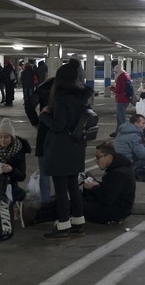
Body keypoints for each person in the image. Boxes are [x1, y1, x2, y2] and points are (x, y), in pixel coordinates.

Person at [40, 59, 93, 239]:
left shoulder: (62, 98)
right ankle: (78, 222)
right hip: (76, 146)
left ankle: (63, 225)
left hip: (61, 148)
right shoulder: (82, 97)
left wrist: (44, 115)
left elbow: (58, 125)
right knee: (73, 186)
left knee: (61, 188)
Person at [82, 141, 136, 224]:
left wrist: (93, 187)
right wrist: (96, 185)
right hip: (116, 208)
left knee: (75, 205)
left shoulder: (118, 173)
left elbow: (107, 198)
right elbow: (110, 189)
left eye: (98, 157)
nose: (96, 160)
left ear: (108, 156)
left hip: (114, 212)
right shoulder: (119, 167)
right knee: (77, 201)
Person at [0, 118, 31, 202]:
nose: (3, 140)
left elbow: (22, 176)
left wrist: (11, 170)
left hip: (9, 184)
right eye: (0, 137)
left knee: (19, 195)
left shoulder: (19, 152)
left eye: (6, 137)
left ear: (12, 138)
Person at [24, 76, 55, 205]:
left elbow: (29, 105)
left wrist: (36, 123)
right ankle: (64, 201)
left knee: (44, 171)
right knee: (64, 172)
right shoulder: (69, 90)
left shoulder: (42, 89)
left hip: (44, 131)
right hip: (64, 134)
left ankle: (45, 202)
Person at [109, 62, 131, 138]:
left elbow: (118, 90)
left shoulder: (120, 77)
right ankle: (117, 132)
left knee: (122, 119)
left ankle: (127, 134)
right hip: (126, 99)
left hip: (121, 100)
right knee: (119, 118)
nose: (114, 73)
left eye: (115, 72)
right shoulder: (126, 75)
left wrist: (111, 88)